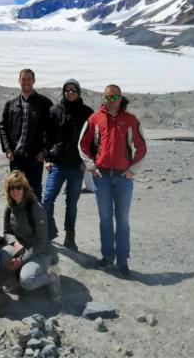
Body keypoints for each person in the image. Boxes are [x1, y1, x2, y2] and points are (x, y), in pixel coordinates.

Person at [79, 84, 147, 279]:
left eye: (115, 96)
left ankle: (123, 261)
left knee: (123, 220)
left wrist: (132, 169)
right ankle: (107, 257)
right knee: (105, 219)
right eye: (108, 97)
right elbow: (82, 143)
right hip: (102, 177)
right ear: (104, 98)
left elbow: (142, 147)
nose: (112, 100)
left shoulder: (131, 120)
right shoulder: (95, 118)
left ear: (120, 97)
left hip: (123, 178)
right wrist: (91, 166)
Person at [42, 78, 94, 251]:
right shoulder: (54, 111)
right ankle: (49, 232)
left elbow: (93, 140)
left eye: (74, 90)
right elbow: (46, 137)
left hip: (76, 167)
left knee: (71, 203)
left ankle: (70, 236)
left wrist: (87, 161)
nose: (70, 93)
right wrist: (47, 159)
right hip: (57, 164)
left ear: (79, 92)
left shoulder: (87, 112)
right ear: (63, 92)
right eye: (67, 90)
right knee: (47, 200)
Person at [0, 171, 61, 301]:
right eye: (11, 188)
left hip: (39, 252)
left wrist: (21, 259)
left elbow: (42, 242)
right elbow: (6, 232)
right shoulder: (10, 206)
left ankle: (52, 278)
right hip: (20, 247)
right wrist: (15, 243)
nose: (15, 191)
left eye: (18, 187)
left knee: (27, 281)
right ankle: (17, 277)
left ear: (24, 188)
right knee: (1, 256)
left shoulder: (36, 208)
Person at [0, 68, 53, 197]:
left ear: (34, 81)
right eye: (23, 79)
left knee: (34, 192)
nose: (26, 82)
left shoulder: (45, 103)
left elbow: (52, 129)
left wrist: (45, 152)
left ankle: (36, 218)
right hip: (16, 157)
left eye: (29, 79)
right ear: (19, 81)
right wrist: (7, 149)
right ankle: (17, 218)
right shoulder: (11, 104)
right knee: (15, 192)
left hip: (35, 157)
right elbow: (2, 127)